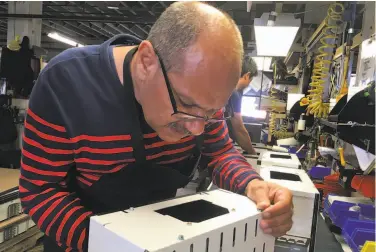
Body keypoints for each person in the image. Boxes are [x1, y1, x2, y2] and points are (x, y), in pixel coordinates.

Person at [19, 2, 293, 252]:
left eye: (211, 112)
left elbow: (219, 153)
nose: (198, 128)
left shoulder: (200, 96)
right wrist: (107, 244)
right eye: (186, 104)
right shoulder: (66, 84)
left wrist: (253, 184)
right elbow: (40, 190)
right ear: (146, 61)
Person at [227, 56, 258, 154]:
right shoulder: (234, 92)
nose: (249, 84)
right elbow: (238, 128)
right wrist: (252, 151)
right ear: (247, 75)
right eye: (250, 80)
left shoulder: (234, 90)